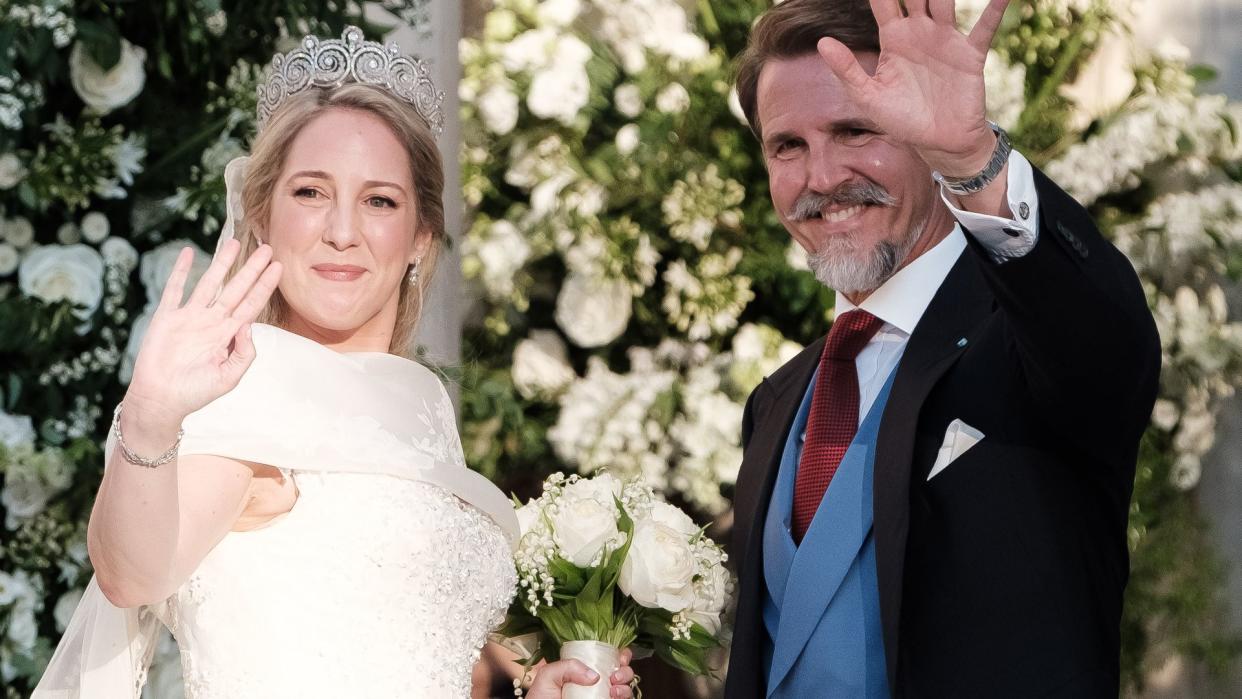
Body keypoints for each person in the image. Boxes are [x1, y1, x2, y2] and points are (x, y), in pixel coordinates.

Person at [35, 27, 634, 699]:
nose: (342, 232)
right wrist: (147, 421)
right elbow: (132, 576)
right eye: (310, 192)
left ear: (419, 237)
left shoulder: (422, 403)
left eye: (379, 200)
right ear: (261, 215)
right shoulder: (247, 392)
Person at [724, 0, 1160, 697]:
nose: (823, 176)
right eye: (788, 146)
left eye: (856, 128)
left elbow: (1107, 348)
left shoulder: (1027, 343)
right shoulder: (774, 401)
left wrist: (972, 160)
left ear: (922, 133)